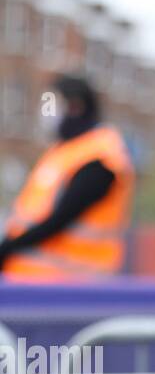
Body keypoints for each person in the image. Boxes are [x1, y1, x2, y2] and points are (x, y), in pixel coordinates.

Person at [0, 74, 135, 281]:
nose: (45, 113)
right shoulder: (62, 152)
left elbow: (60, 219)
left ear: (75, 107)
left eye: (50, 103)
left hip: (71, 288)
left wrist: (8, 248)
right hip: (29, 282)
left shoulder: (100, 157)